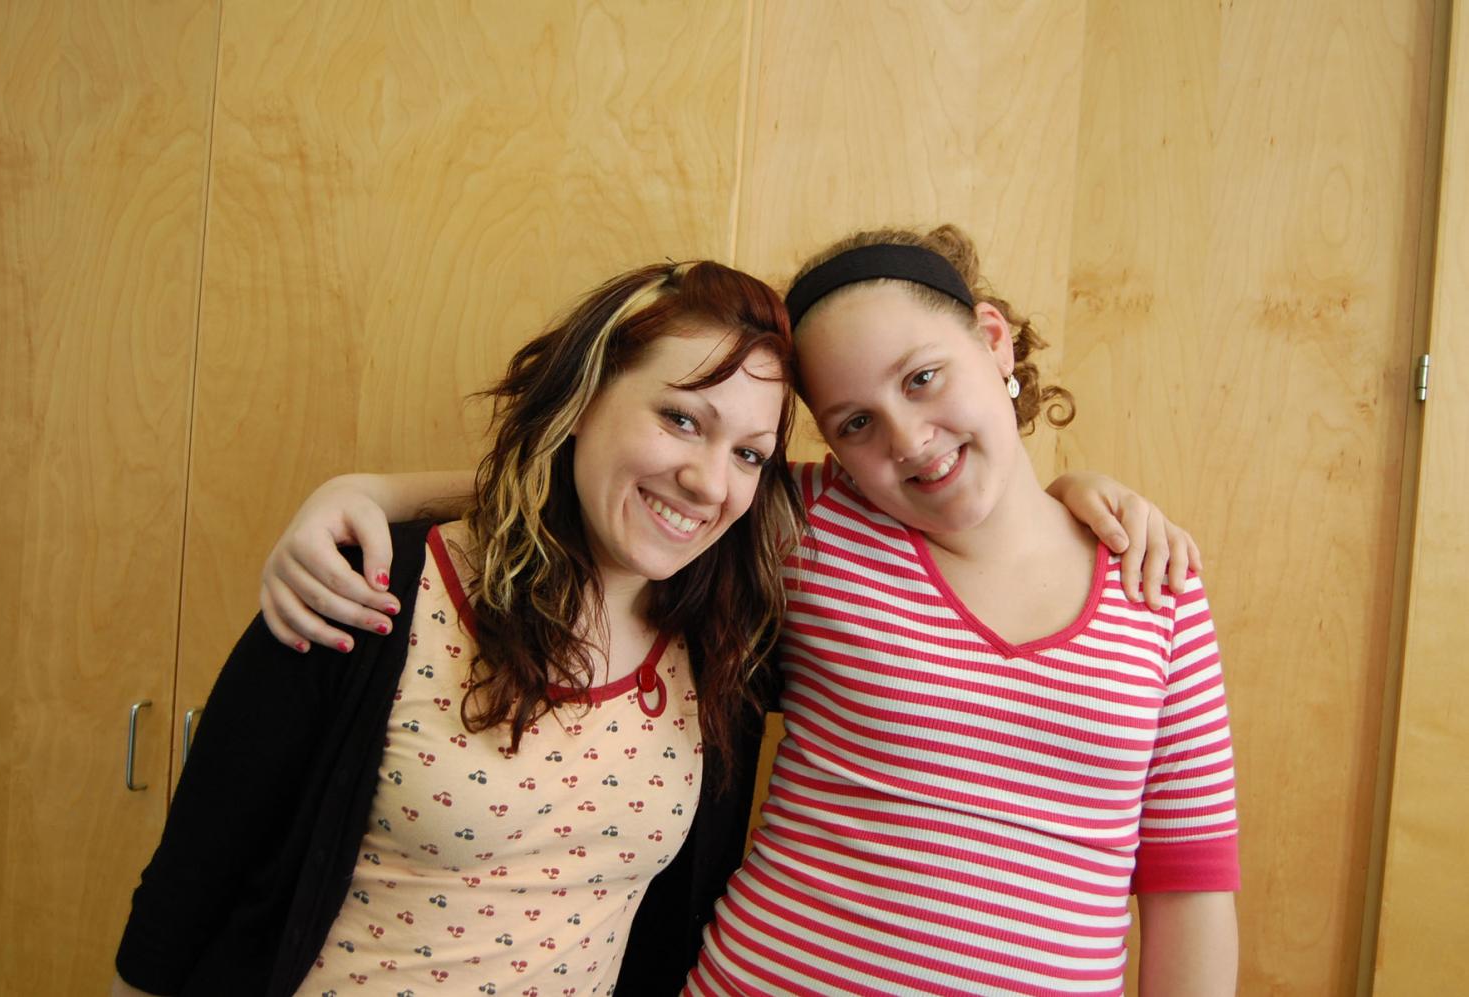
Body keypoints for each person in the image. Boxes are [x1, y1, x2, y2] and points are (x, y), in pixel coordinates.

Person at [254, 227, 1232, 994]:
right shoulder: (811, 527)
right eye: (854, 423)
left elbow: (1189, 893)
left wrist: (1081, 488)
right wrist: (371, 491)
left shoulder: (1154, 579)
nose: (909, 438)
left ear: (991, 340)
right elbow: (617, 490)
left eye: (924, 378)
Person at [112, 260, 806, 996]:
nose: (709, 481)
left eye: (749, 454)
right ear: (583, 397)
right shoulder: (368, 587)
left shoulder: (723, 648)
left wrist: (375, 487)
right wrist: (364, 494)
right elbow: (184, 895)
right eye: (681, 418)